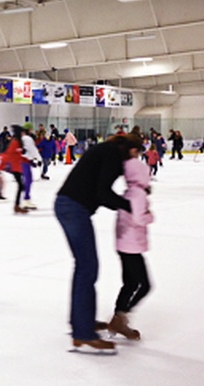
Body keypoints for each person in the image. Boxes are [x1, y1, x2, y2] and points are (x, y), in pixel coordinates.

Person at [55, 134, 139, 354]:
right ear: (129, 149)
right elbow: (103, 193)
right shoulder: (113, 154)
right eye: (136, 153)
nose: (136, 159)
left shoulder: (106, 151)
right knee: (87, 267)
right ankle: (83, 334)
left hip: (69, 206)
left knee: (83, 266)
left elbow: (99, 189)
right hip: (73, 208)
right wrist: (129, 205)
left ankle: (81, 322)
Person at [109, 157, 154, 341]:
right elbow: (138, 218)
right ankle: (120, 317)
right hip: (132, 245)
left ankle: (118, 317)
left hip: (124, 244)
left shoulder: (129, 192)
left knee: (129, 284)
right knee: (144, 285)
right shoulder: (138, 194)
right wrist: (149, 216)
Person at [21, 123, 41, 210]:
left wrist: (31, 161)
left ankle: (26, 198)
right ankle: (26, 200)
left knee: (27, 180)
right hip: (24, 162)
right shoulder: (27, 139)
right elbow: (32, 150)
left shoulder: (22, 138)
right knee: (28, 180)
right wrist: (38, 159)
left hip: (23, 161)